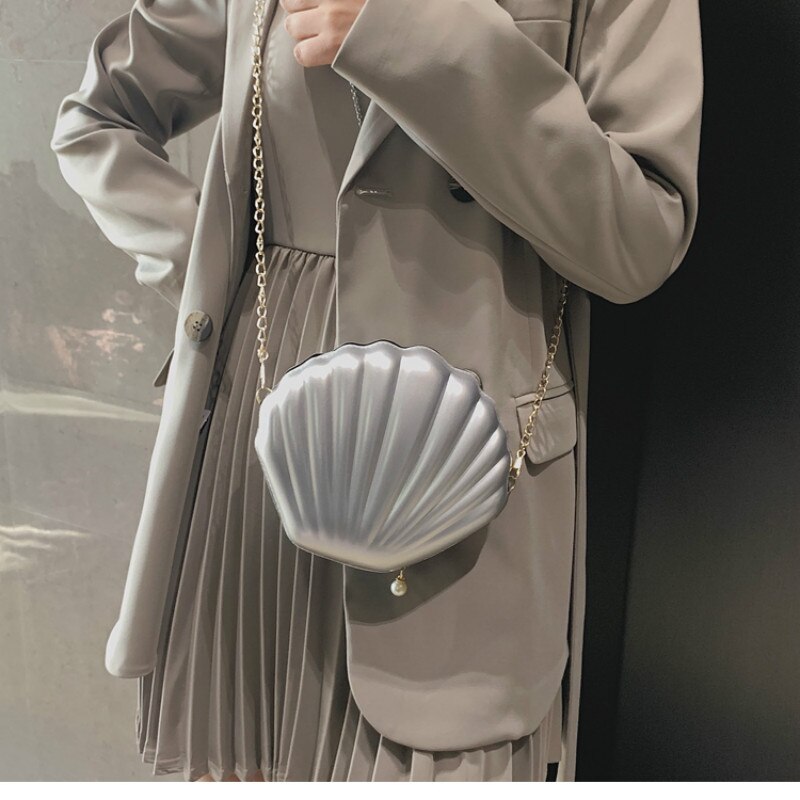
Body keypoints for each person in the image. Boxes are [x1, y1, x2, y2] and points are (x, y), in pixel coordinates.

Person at [50, 0, 703, 782]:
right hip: (262, 442)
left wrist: (411, 35)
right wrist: (213, 271)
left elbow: (640, 232)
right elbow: (97, 121)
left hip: (456, 465)